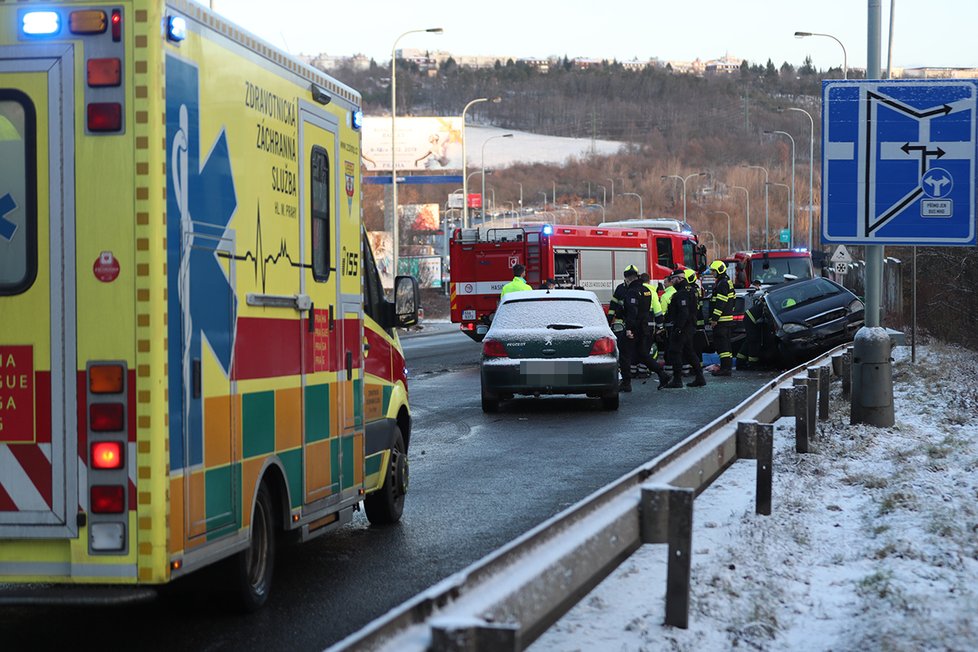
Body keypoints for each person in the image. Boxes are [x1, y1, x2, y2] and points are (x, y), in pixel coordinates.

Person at [663, 271, 706, 388]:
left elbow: (684, 312)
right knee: (689, 352)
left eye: (673, 278)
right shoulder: (690, 290)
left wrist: (678, 328)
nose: (671, 281)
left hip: (683, 327)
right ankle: (700, 377)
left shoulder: (682, 293)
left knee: (675, 351)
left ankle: (677, 380)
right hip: (689, 326)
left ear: (680, 278)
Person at [708, 260, 735, 377]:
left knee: (723, 346)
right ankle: (726, 368)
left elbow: (721, 303)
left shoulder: (722, 283)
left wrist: (714, 318)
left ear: (719, 270)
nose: (712, 273)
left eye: (713, 271)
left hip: (722, 321)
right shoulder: (725, 281)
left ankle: (725, 369)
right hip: (725, 320)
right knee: (726, 346)